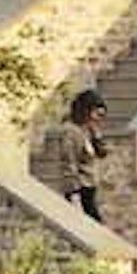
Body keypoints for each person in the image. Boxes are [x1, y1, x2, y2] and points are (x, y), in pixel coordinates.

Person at [33, 87, 115, 225]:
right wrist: (73, 193)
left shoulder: (88, 130)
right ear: (86, 111)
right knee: (95, 227)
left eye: (102, 116)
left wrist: (97, 136)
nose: (99, 119)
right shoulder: (71, 132)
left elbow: (102, 154)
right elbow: (69, 162)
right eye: (97, 115)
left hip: (89, 187)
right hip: (79, 189)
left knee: (94, 227)